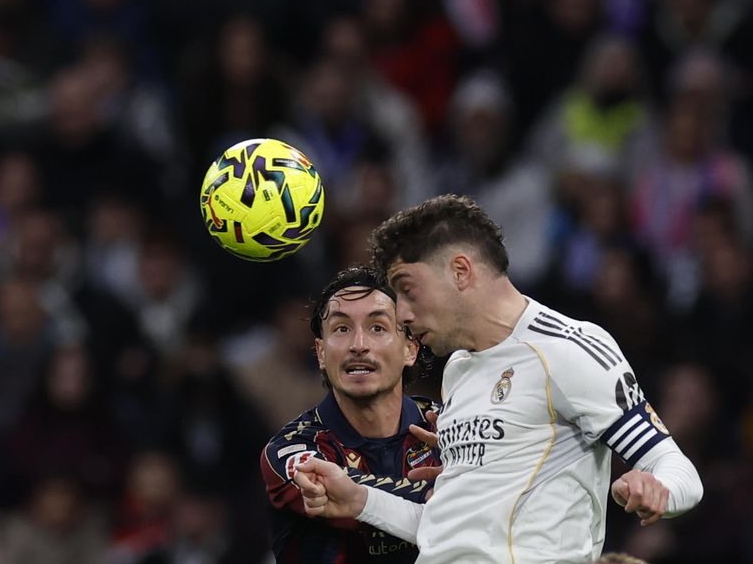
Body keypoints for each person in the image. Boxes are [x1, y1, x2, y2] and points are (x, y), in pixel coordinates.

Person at [293, 195, 703, 563]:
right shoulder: (459, 370)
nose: (401, 314)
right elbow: (450, 533)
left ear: (460, 271)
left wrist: (657, 488)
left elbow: (678, 470)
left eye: (407, 290)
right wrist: (359, 500)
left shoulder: (566, 349)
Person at [260, 265, 441, 563]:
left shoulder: (447, 426)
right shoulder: (288, 451)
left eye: (378, 328)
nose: (359, 345)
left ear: (410, 349)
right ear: (320, 353)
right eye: (342, 329)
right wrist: (449, 492)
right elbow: (468, 505)